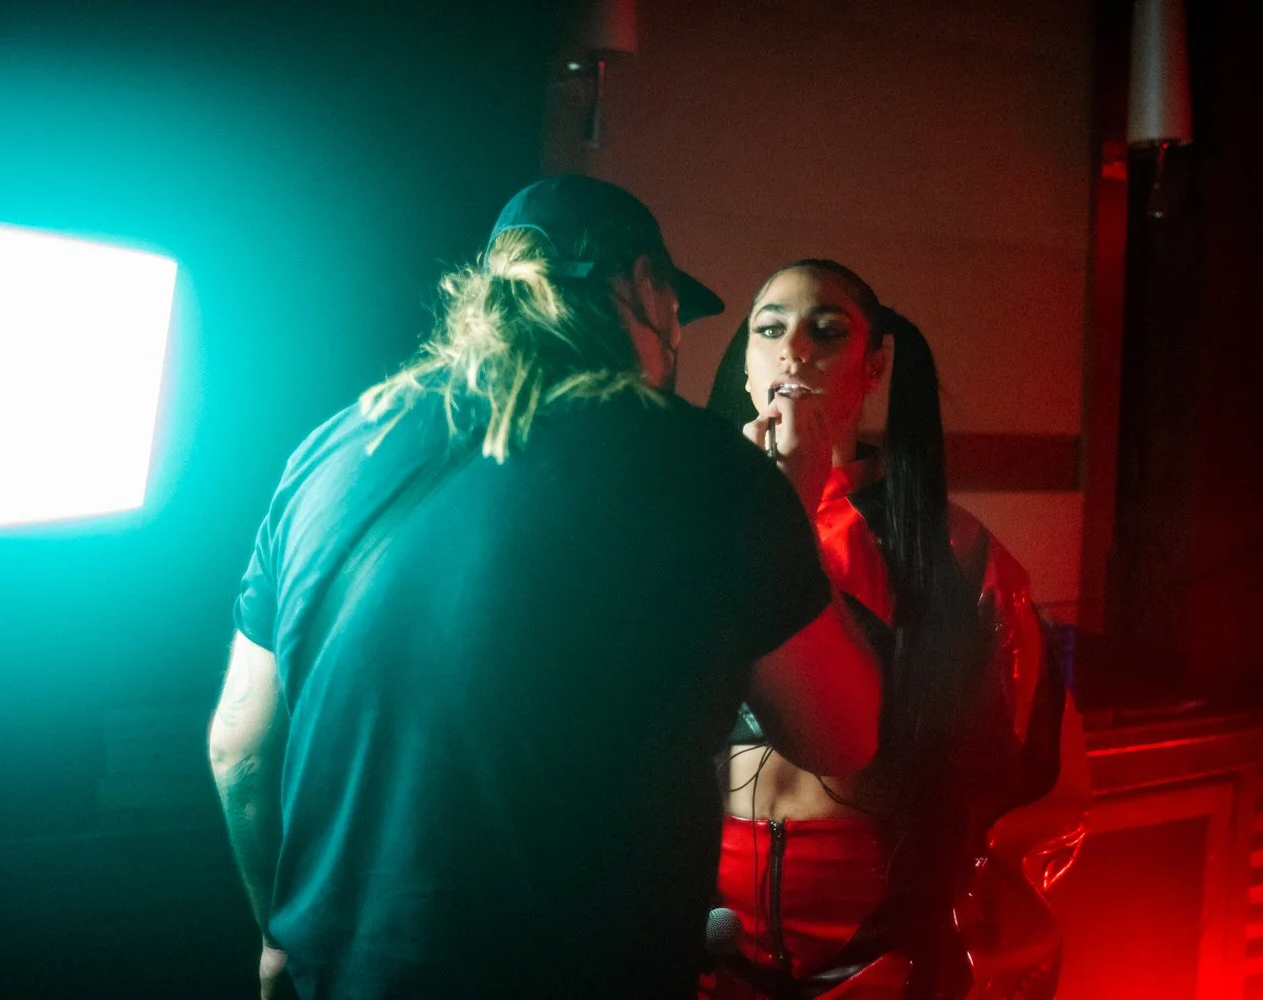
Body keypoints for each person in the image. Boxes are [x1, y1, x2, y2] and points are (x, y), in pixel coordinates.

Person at [207, 178, 882, 1000]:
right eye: (674, 314)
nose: (675, 346)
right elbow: (843, 736)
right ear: (641, 288)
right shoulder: (710, 471)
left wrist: (280, 937)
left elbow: (238, 749)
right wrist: (795, 516)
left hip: (341, 978)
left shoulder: (331, 449)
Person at [700, 260, 1091, 999]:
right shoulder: (689, 533)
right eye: (770, 328)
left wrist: (969, 955)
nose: (795, 350)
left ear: (874, 365)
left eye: (827, 330)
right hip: (708, 949)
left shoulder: (955, 552)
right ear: (746, 364)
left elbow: (1033, 782)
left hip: (880, 960)